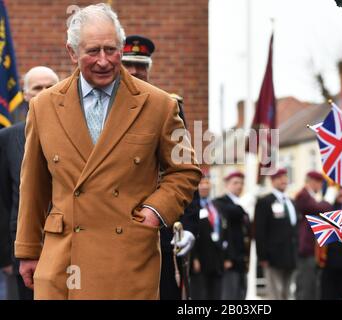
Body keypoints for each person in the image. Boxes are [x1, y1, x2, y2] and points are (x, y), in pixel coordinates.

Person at [14, 4, 201, 300]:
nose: (103, 61)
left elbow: (185, 169)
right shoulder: (43, 106)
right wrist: (27, 249)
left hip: (128, 258)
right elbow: (34, 186)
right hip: (63, 258)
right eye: (93, 51)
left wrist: (155, 211)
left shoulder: (159, 105)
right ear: (72, 53)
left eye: (111, 50)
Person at [121, 34, 199, 300]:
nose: (134, 71)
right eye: (128, 63)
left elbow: (184, 173)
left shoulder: (168, 107)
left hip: (161, 229)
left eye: (141, 65)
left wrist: (188, 226)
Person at [0, 66, 59, 300]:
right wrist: (5, 256)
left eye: (50, 86)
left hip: (71, 244)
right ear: (25, 94)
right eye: (37, 88)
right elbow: (3, 200)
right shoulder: (7, 139)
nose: (44, 92)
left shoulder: (78, 134)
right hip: (24, 250)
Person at [255, 168, 297, 300]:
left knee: (288, 292)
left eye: (285, 177)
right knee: (275, 293)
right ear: (272, 181)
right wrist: (262, 256)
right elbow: (259, 230)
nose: (284, 180)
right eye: (279, 178)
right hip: (273, 256)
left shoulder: (291, 202)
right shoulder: (265, 202)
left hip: (291, 255)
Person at [294, 170, 332, 300]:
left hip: (312, 248)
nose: (321, 186)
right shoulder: (303, 196)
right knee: (306, 286)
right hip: (306, 248)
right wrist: (328, 202)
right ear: (312, 182)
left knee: (311, 285)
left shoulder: (310, 197)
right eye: (320, 183)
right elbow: (319, 208)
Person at [214, 171, 251, 300]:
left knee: (241, 294)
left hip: (242, 259)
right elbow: (223, 232)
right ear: (227, 185)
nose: (239, 186)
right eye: (235, 183)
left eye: (241, 183)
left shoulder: (240, 204)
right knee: (230, 296)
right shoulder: (220, 202)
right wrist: (226, 258)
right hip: (230, 259)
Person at [190, 170, 224, 300]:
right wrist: (194, 258)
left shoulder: (216, 206)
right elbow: (190, 232)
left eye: (207, 182)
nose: (204, 186)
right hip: (200, 260)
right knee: (200, 295)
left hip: (216, 260)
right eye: (201, 183)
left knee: (215, 294)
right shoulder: (192, 208)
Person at [319, 187, 342, 300]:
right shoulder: (328, 207)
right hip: (328, 260)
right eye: (340, 189)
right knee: (327, 293)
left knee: (341, 293)